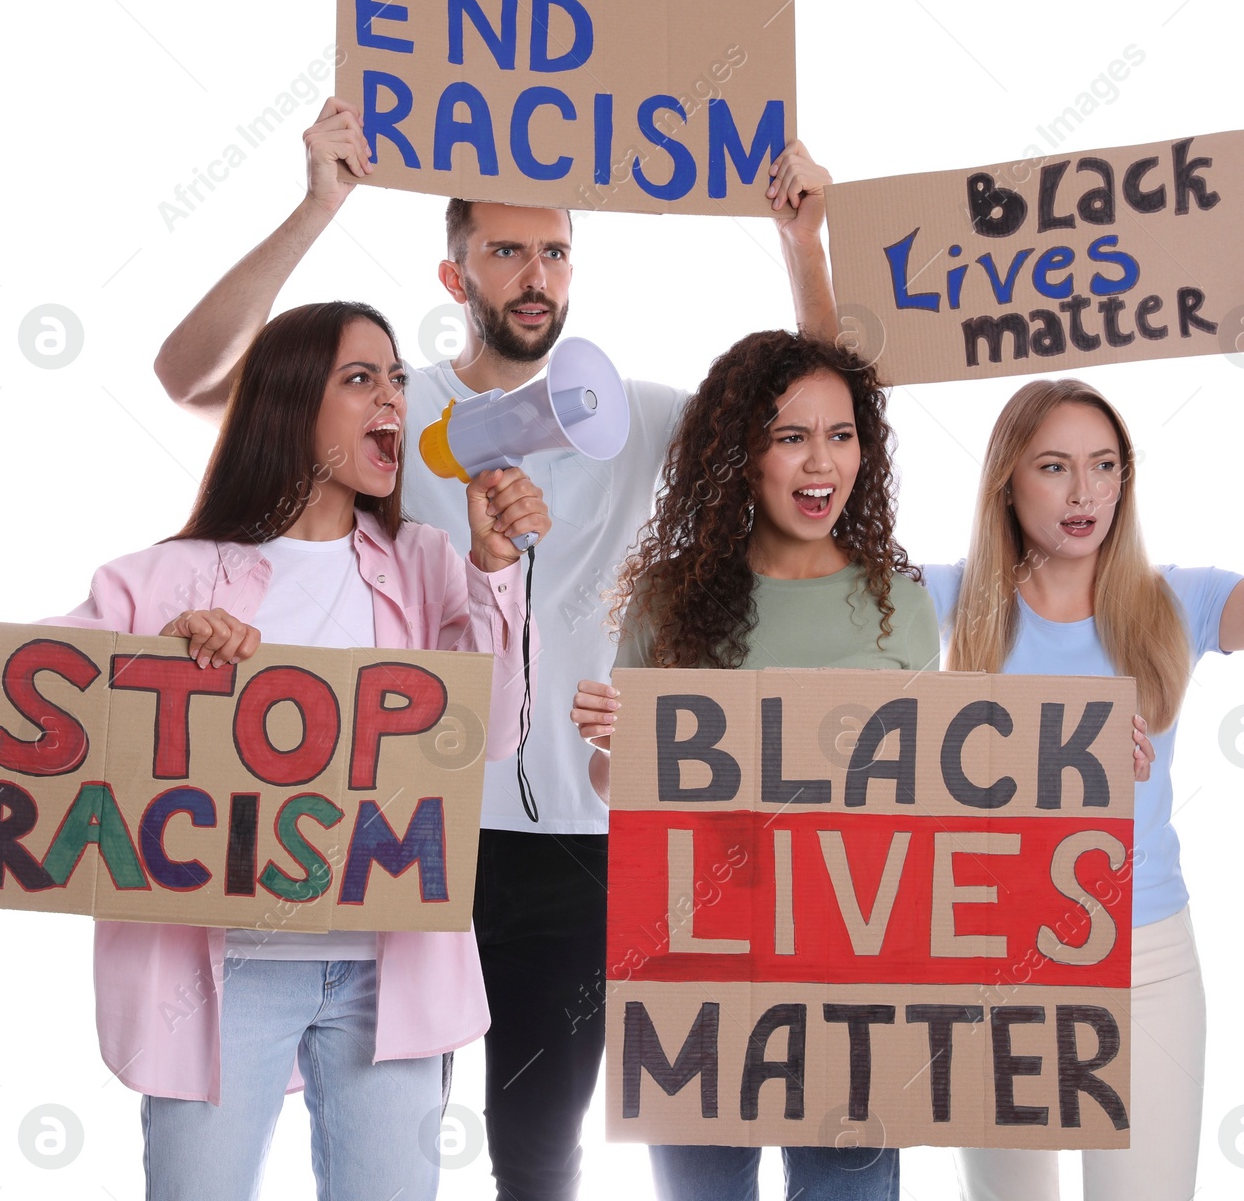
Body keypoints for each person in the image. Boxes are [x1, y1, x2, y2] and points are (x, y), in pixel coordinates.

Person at [153, 97, 839, 1200]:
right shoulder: (387, 412)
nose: (535, 273)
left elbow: (824, 418)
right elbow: (189, 376)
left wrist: (802, 246)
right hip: (405, 821)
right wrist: (318, 203)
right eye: (506, 249)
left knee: (535, 1145)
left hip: (573, 842)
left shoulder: (642, 417)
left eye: (556, 251)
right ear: (453, 273)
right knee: (384, 1129)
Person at [44, 300, 550, 1201]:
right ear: (285, 402)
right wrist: (162, 656)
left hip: (385, 968)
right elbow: (33, 696)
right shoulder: (166, 578)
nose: (391, 394)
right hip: (221, 975)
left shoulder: (432, 561)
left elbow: (495, 729)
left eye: (396, 377)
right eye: (360, 378)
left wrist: (497, 568)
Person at [923, 311, 1244, 1200]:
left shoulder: (1177, 604)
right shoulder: (950, 600)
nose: (1083, 490)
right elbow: (810, 616)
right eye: (1054, 467)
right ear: (1007, 486)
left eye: (1103, 465)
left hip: (1145, 958)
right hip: (991, 952)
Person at [571, 329, 931, 1200]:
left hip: (853, 980)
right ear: (742, 454)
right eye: (792, 435)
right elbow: (625, 799)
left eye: (841, 435)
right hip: (701, 972)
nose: (823, 463)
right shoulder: (667, 600)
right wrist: (619, 750)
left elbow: (932, 800)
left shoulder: (899, 603)